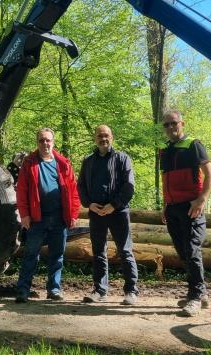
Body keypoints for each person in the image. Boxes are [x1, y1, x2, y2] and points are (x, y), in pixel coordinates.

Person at [159, 109, 211, 317]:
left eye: (173, 123)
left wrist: (201, 199)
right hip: (172, 208)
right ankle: (199, 294)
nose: (170, 127)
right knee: (183, 251)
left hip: (191, 206)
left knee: (192, 250)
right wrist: (165, 204)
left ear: (182, 123)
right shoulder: (165, 151)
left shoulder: (193, 145)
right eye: (166, 125)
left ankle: (195, 296)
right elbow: (166, 180)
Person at [14, 128, 81, 303]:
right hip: (37, 219)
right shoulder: (29, 163)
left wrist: (73, 214)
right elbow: (21, 191)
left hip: (59, 218)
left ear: (53, 142)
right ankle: (23, 290)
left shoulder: (63, 164)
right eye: (42, 140)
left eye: (48, 140)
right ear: (37, 143)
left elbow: (73, 191)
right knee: (30, 255)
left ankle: (54, 289)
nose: (45, 144)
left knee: (57, 256)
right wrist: (25, 216)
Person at [77, 125, 138, 305]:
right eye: (99, 136)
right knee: (98, 253)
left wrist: (114, 205)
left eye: (106, 135)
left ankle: (131, 291)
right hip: (96, 213)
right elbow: (80, 186)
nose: (103, 139)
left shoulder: (122, 159)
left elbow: (129, 186)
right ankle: (100, 290)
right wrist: (89, 204)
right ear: (95, 138)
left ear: (112, 137)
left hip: (118, 212)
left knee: (125, 251)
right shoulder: (88, 161)